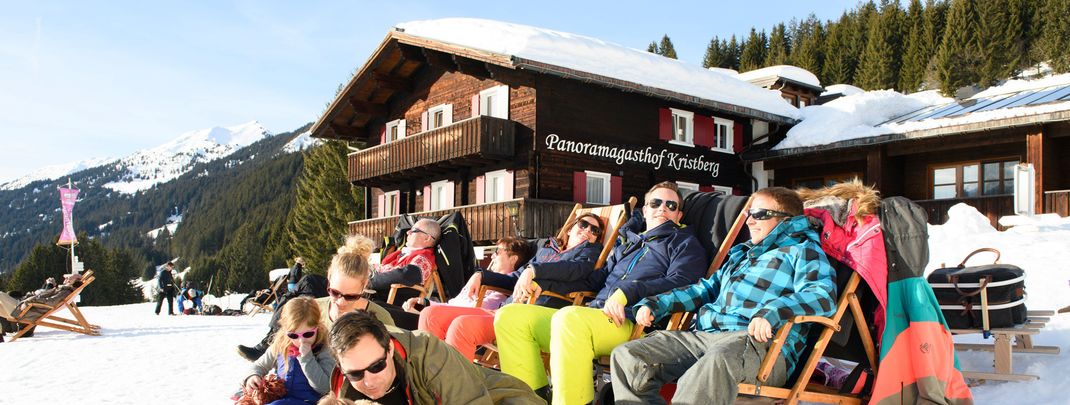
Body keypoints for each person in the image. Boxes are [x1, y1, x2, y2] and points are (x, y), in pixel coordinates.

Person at [609, 187, 838, 405]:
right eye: (749, 213)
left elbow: (822, 296)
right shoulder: (742, 254)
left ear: (785, 219)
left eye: (759, 214)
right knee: (629, 356)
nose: (749, 220)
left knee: (714, 362)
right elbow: (704, 289)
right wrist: (655, 304)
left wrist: (772, 312)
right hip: (706, 337)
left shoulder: (802, 250)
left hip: (761, 345)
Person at [494, 181, 707, 404]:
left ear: (679, 215)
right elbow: (593, 280)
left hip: (635, 321)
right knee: (510, 316)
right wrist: (543, 282)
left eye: (670, 205)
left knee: (569, 318)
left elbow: (682, 282)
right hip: (594, 315)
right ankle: (532, 399)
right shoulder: (629, 244)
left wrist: (627, 291)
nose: (662, 208)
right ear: (645, 210)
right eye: (655, 203)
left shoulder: (685, 244)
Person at [414, 213, 602, 361]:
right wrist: (481, 274)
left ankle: (454, 393)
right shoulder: (547, 249)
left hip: (529, 316)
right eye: (583, 224)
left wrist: (534, 270)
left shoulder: (588, 254)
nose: (588, 230)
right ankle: (427, 383)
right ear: (569, 229)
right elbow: (515, 278)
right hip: (506, 310)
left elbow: (573, 270)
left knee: (461, 326)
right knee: (430, 315)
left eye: (595, 230)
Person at [327, 311, 542, 404]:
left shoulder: (429, 355)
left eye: (377, 366)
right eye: (355, 374)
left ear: (390, 349)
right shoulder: (345, 391)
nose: (368, 381)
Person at [239, 236, 396, 361]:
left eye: (351, 296)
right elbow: (282, 345)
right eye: (334, 292)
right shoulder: (314, 309)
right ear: (328, 277)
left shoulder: (380, 318)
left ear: (365, 285)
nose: (341, 302)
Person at [242, 296, 337, 404]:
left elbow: (324, 387)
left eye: (308, 334)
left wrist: (307, 358)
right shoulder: (282, 345)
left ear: (318, 327)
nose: (301, 340)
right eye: (293, 335)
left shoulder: (324, 348)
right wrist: (253, 376)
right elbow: (260, 365)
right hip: (282, 399)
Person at [367, 219, 440, 302]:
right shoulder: (401, 253)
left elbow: (404, 275)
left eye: (414, 230)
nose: (408, 232)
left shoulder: (424, 258)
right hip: (372, 294)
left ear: (427, 238)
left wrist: (369, 281)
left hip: (385, 301)